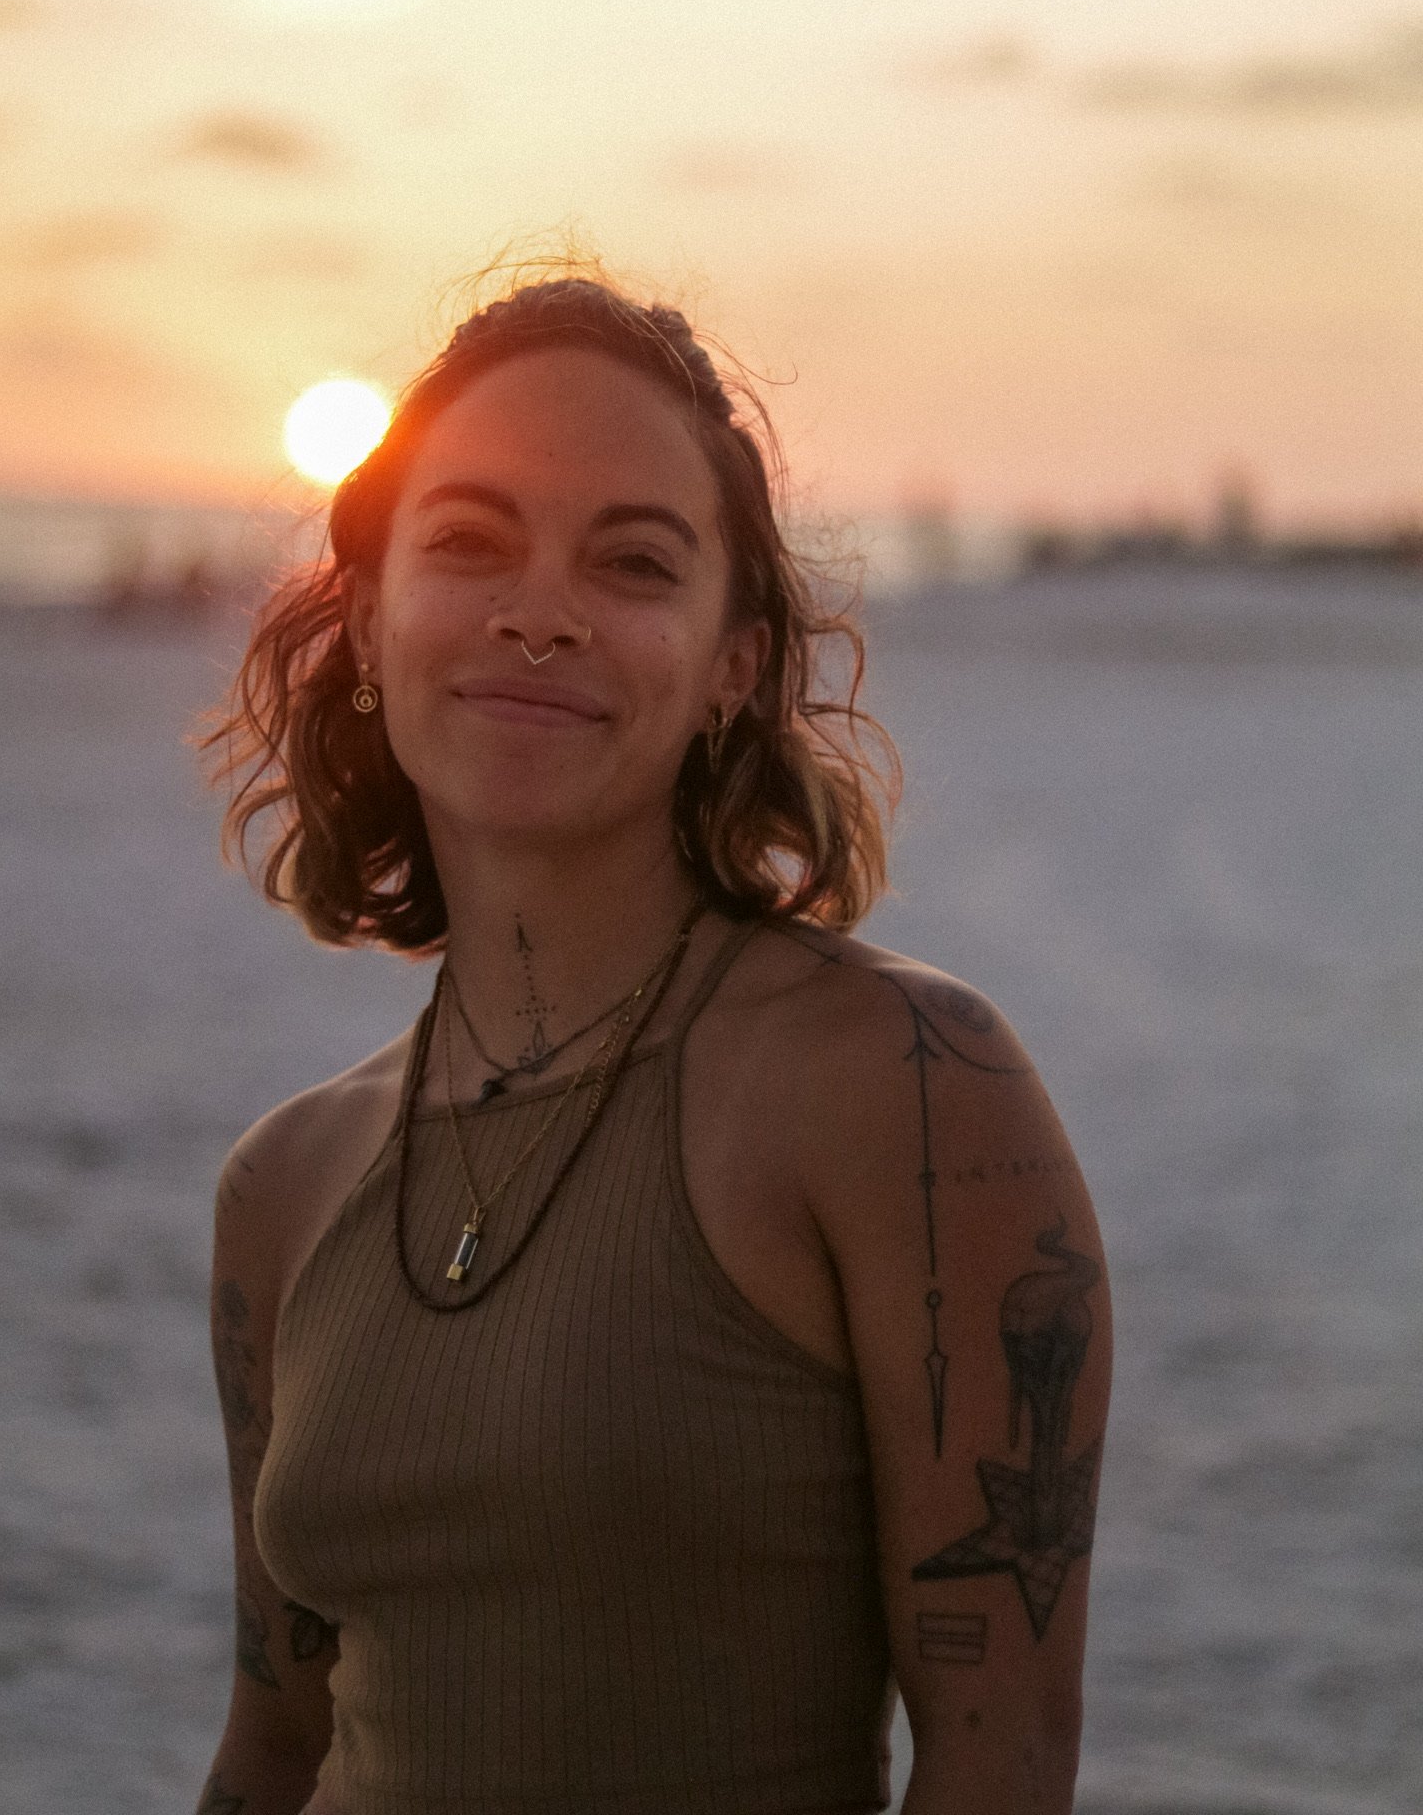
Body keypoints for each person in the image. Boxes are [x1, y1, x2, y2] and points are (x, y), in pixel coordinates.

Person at [195, 262, 1111, 1815]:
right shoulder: (284, 1187)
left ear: (730, 667)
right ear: (367, 617)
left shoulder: (898, 1087)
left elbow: (998, 1755)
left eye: (632, 564)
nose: (537, 614)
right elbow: (277, 1745)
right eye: (470, 544)